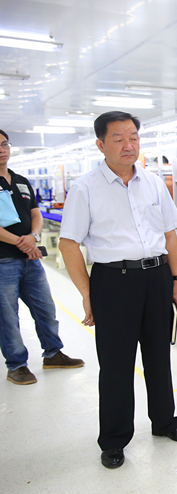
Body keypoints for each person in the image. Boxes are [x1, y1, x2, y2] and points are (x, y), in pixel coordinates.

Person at [59, 111, 177, 470]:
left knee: (159, 355)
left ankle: (165, 422)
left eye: (133, 137)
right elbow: (69, 244)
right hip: (113, 281)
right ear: (100, 144)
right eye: (118, 138)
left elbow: (169, 235)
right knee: (116, 364)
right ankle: (114, 439)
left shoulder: (152, 183)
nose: (128, 145)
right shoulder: (85, 188)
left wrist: (176, 280)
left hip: (156, 278)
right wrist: (88, 293)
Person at [0, 129, 84, 385]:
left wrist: (34, 237)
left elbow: (35, 213)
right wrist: (21, 242)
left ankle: (53, 353)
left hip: (30, 259)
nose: (2, 149)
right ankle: (17, 365)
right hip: (4, 260)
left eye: (4, 144)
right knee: (7, 316)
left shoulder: (21, 180)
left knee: (45, 308)